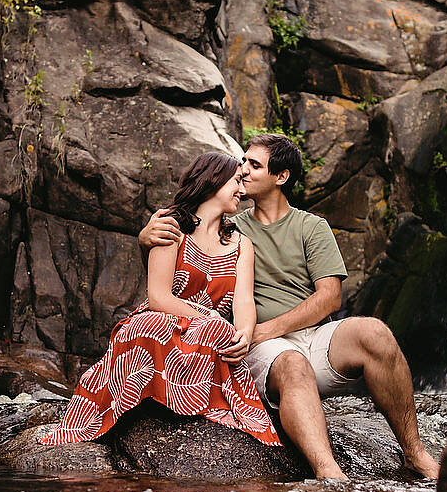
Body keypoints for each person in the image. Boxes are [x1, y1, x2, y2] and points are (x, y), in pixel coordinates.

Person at [138, 134, 440, 480]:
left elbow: (330, 297)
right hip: (261, 348)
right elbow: (181, 252)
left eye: (254, 164)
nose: (243, 171)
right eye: (242, 162)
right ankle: (329, 474)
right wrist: (145, 237)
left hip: (310, 338)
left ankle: (416, 454)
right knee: (292, 364)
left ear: (281, 177)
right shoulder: (229, 224)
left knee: (376, 332)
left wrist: (270, 328)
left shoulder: (311, 226)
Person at [39, 152, 279, 447]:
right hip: (164, 321)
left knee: (221, 333)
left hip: (210, 333)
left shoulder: (242, 244)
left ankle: (190, 401)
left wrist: (243, 334)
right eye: (236, 182)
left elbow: (244, 301)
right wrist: (207, 318)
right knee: (148, 327)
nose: (242, 192)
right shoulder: (171, 226)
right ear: (212, 182)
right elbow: (158, 297)